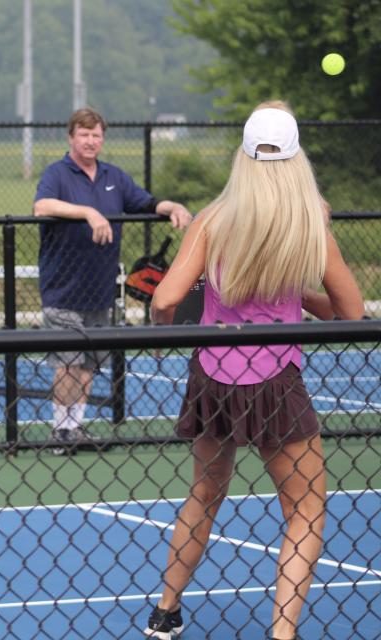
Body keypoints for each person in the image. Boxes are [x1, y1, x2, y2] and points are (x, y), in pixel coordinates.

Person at [143, 103, 364, 640]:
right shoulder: (308, 218)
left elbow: (166, 300)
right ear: (296, 160)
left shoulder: (215, 219)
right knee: (307, 510)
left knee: (204, 492)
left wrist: (178, 324)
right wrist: (297, 296)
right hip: (275, 381)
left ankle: (165, 614)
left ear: (243, 154)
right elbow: (351, 312)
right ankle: (281, 634)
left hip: (212, 376)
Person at [33, 107, 192, 446]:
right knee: (69, 363)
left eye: (96, 135)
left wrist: (173, 207)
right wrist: (89, 213)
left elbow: (148, 203)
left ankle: (75, 426)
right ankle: (60, 429)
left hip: (100, 289)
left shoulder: (113, 177)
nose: (90, 141)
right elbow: (42, 207)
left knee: (89, 363)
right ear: (71, 137)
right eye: (84, 134)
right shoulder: (57, 174)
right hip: (62, 289)